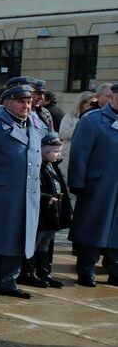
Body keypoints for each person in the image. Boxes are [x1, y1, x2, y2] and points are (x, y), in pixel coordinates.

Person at [0, 84, 44, 301]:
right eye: (21, 101)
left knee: (19, 237)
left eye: (28, 101)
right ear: (7, 103)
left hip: (27, 192)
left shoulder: (35, 124)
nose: (26, 105)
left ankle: (8, 281)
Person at [67, 87, 118, 287]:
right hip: (98, 186)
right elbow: (79, 155)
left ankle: (114, 269)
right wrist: (77, 183)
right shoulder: (92, 120)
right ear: (113, 96)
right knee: (92, 227)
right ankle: (86, 269)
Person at [31, 132, 70, 288]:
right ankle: (30, 271)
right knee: (37, 242)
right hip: (43, 213)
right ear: (44, 152)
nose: (58, 154)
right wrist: (46, 197)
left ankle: (44, 272)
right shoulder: (39, 168)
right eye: (55, 151)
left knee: (46, 243)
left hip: (52, 212)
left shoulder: (52, 166)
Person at [59, 90, 98, 169]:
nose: (93, 106)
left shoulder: (95, 117)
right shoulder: (70, 116)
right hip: (69, 154)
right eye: (91, 103)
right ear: (82, 103)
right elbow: (62, 135)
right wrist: (81, 123)